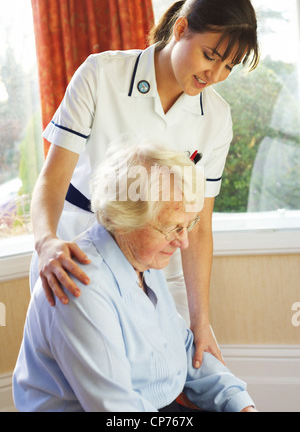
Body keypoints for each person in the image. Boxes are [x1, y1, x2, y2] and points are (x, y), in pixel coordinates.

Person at [29, 0, 260, 367]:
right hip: (83, 251)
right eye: (210, 56)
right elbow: (52, 178)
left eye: (228, 67)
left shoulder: (216, 118)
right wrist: (46, 242)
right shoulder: (102, 74)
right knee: (91, 380)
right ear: (181, 29)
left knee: (174, 376)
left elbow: (200, 226)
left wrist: (202, 322)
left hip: (157, 262)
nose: (215, 75)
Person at [13, 142, 257, 412]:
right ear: (123, 220)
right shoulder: (81, 284)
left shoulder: (143, 259)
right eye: (171, 228)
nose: (183, 242)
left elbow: (184, 349)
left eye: (188, 225)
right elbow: (116, 408)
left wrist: (240, 404)